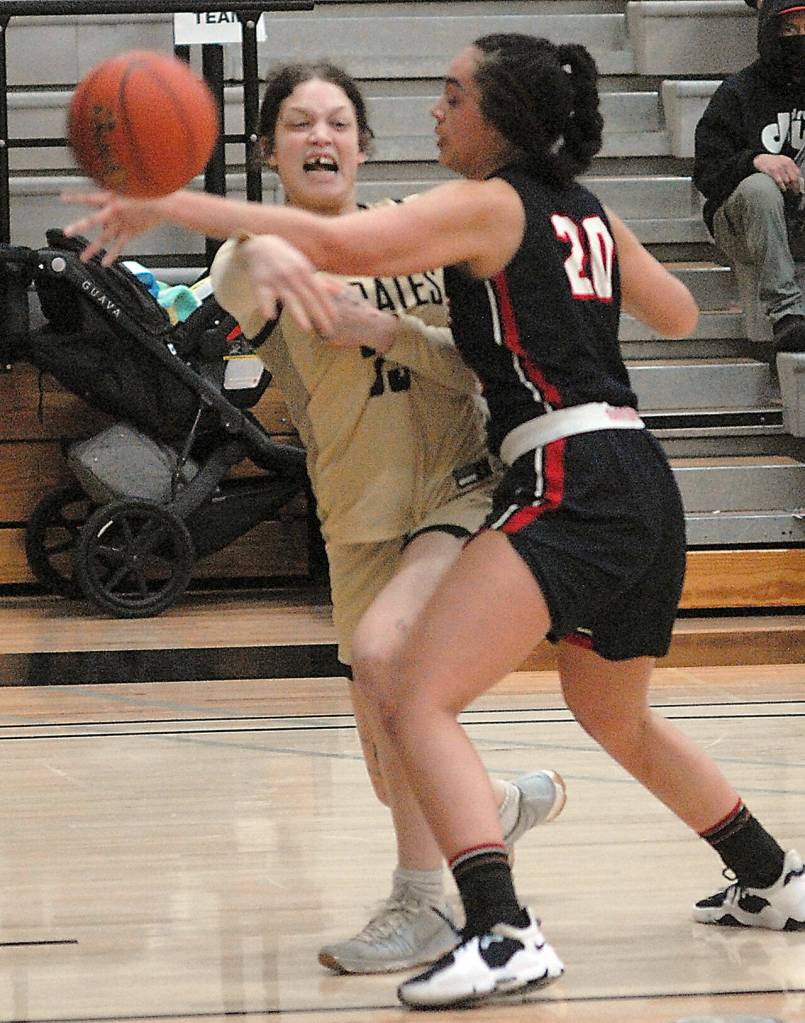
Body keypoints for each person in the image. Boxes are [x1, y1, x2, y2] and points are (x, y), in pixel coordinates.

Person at [64, 31, 805, 1011]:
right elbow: (671, 313)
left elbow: (334, 242)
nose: (435, 110)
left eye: (452, 96)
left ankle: (501, 932)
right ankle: (769, 874)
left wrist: (167, 199)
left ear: (498, 118)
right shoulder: (583, 210)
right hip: (640, 472)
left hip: (567, 472)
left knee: (412, 692)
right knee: (612, 712)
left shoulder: (488, 201)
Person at [120, 60, 569, 976]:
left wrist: (387, 330)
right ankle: (488, 812)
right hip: (356, 508)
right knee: (389, 755)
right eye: (297, 124)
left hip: (460, 485)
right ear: (269, 151)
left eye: (336, 122)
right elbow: (220, 312)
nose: (320, 137)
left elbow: (480, 368)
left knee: (386, 655)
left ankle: (432, 907)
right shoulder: (253, 259)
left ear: (363, 144)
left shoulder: (422, 239)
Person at [694, 0, 805, 354]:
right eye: (789, 29)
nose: (799, 38)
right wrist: (755, 160)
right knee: (760, 188)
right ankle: (787, 314)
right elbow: (707, 174)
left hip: (798, 220)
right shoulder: (738, 91)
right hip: (744, 223)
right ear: (770, 32)